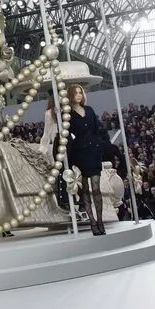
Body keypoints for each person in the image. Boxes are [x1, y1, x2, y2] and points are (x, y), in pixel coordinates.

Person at [67, 84, 109, 235]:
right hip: (80, 154)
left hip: (94, 152)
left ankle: (100, 221)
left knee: (96, 189)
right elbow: (65, 133)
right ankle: (92, 223)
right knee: (84, 190)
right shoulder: (68, 114)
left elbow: (98, 129)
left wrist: (100, 144)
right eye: (76, 93)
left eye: (80, 92)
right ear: (71, 95)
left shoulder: (89, 110)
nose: (79, 95)